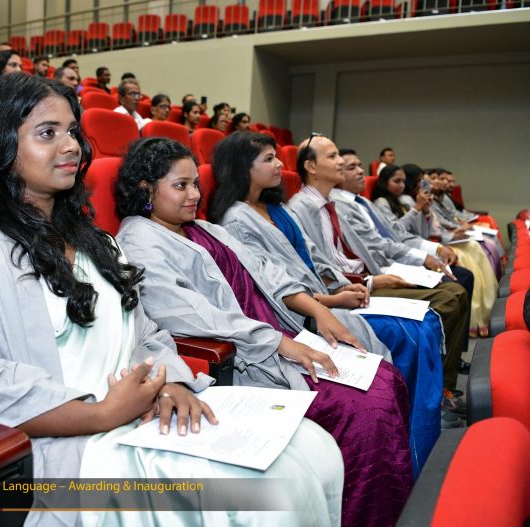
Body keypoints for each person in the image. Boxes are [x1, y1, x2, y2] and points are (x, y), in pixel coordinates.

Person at [0, 73, 345, 527]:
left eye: (72, 132)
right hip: (70, 441)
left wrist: (169, 383)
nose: (71, 146)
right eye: (47, 133)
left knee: (315, 450)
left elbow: (147, 333)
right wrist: (101, 413)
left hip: (142, 412)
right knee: (265, 497)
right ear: (2, 144)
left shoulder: (96, 240)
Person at [115, 136, 413, 527]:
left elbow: (267, 272)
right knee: (365, 407)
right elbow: (192, 315)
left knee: (383, 377)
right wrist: (279, 343)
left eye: (196, 184)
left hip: (280, 334)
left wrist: (319, 309)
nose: (195, 195)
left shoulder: (203, 228)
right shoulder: (138, 239)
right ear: (146, 189)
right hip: (246, 360)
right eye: (181, 185)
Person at [208, 132, 445, 474]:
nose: (279, 164)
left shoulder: (276, 209)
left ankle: (412, 440)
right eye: (269, 159)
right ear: (242, 168)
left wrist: (347, 288)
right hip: (299, 316)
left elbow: (317, 258)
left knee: (421, 326)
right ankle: (403, 449)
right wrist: (330, 300)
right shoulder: (235, 220)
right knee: (403, 341)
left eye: (277, 156)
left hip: (325, 300)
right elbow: (268, 287)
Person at [287, 136, 470, 399]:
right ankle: (430, 392)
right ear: (311, 166)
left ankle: (439, 387)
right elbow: (317, 267)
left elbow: (369, 245)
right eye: (333, 157)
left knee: (452, 293)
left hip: (363, 279)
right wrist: (371, 281)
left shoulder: (330, 204)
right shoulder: (299, 209)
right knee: (442, 303)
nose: (340, 163)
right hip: (350, 289)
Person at [376, 164, 498, 338]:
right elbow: (397, 235)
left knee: (472, 256)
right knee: (462, 270)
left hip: (419, 246)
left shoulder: (405, 200)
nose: (401, 185)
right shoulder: (382, 203)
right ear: (384, 182)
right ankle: (466, 328)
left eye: (403, 181)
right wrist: (418, 209)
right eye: (397, 181)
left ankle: (478, 319)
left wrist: (425, 213)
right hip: (404, 254)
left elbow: (422, 233)